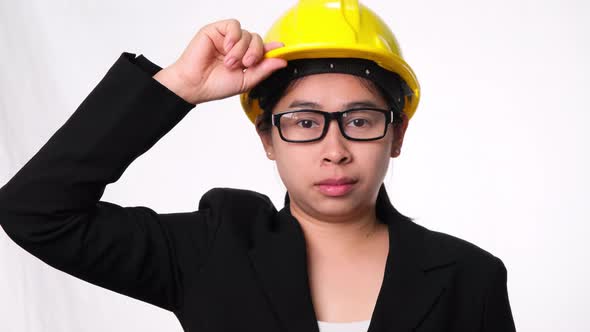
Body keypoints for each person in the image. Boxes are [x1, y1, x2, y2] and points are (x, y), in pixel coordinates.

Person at [0, 0, 516, 331]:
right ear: (268, 138)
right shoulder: (213, 249)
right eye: (304, 122)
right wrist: (179, 87)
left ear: (396, 135)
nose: (334, 148)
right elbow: (35, 211)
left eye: (359, 121)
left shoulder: (472, 279)